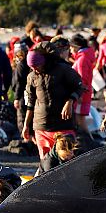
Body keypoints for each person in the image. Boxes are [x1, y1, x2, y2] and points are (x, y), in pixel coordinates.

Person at [23, 41, 84, 174]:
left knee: (67, 161)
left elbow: (80, 86)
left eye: (36, 66)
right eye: (31, 67)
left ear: (44, 61)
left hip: (63, 124)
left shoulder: (63, 70)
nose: (34, 69)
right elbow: (30, 102)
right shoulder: (32, 76)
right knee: (46, 164)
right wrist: (26, 125)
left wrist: (70, 101)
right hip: (41, 126)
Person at [69, 34, 96, 135]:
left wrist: (79, 94)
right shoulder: (83, 57)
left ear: (76, 47)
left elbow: (82, 78)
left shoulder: (82, 59)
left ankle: (90, 143)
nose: (70, 50)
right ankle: (88, 142)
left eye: (71, 47)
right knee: (80, 120)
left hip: (82, 94)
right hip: (85, 92)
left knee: (81, 121)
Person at [11, 42, 30, 134]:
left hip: (23, 95)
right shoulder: (29, 63)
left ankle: (25, 139)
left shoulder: (21, 65)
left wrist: (16, 98)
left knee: (22, 117)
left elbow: (19, 83)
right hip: (28, 94)